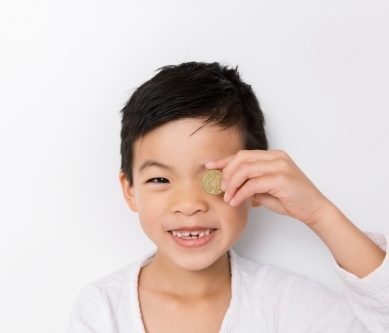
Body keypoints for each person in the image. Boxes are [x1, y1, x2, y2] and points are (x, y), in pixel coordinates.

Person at [67, 62, 388, 332]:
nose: (190, 204)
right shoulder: (103, 309)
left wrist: (320, 214)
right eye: (160, 178)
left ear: (255, 181)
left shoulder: (287, 303)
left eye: (213, 179)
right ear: (130, 190)